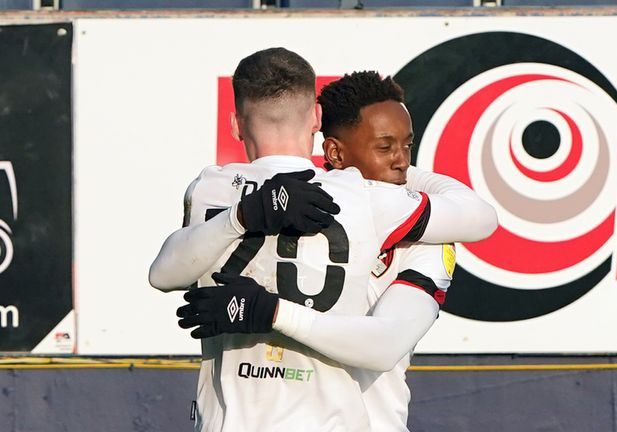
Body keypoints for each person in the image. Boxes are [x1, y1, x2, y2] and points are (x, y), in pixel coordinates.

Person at [150, 48, 496, 431]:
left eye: (406, 147)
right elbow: (479, 216)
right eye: (385, 147)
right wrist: (241, 218)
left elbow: (384, 344)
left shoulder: (213, 188)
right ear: (319, 128)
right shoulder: (364, 200)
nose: (400, 160)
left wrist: (271, 309)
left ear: (235, 124)